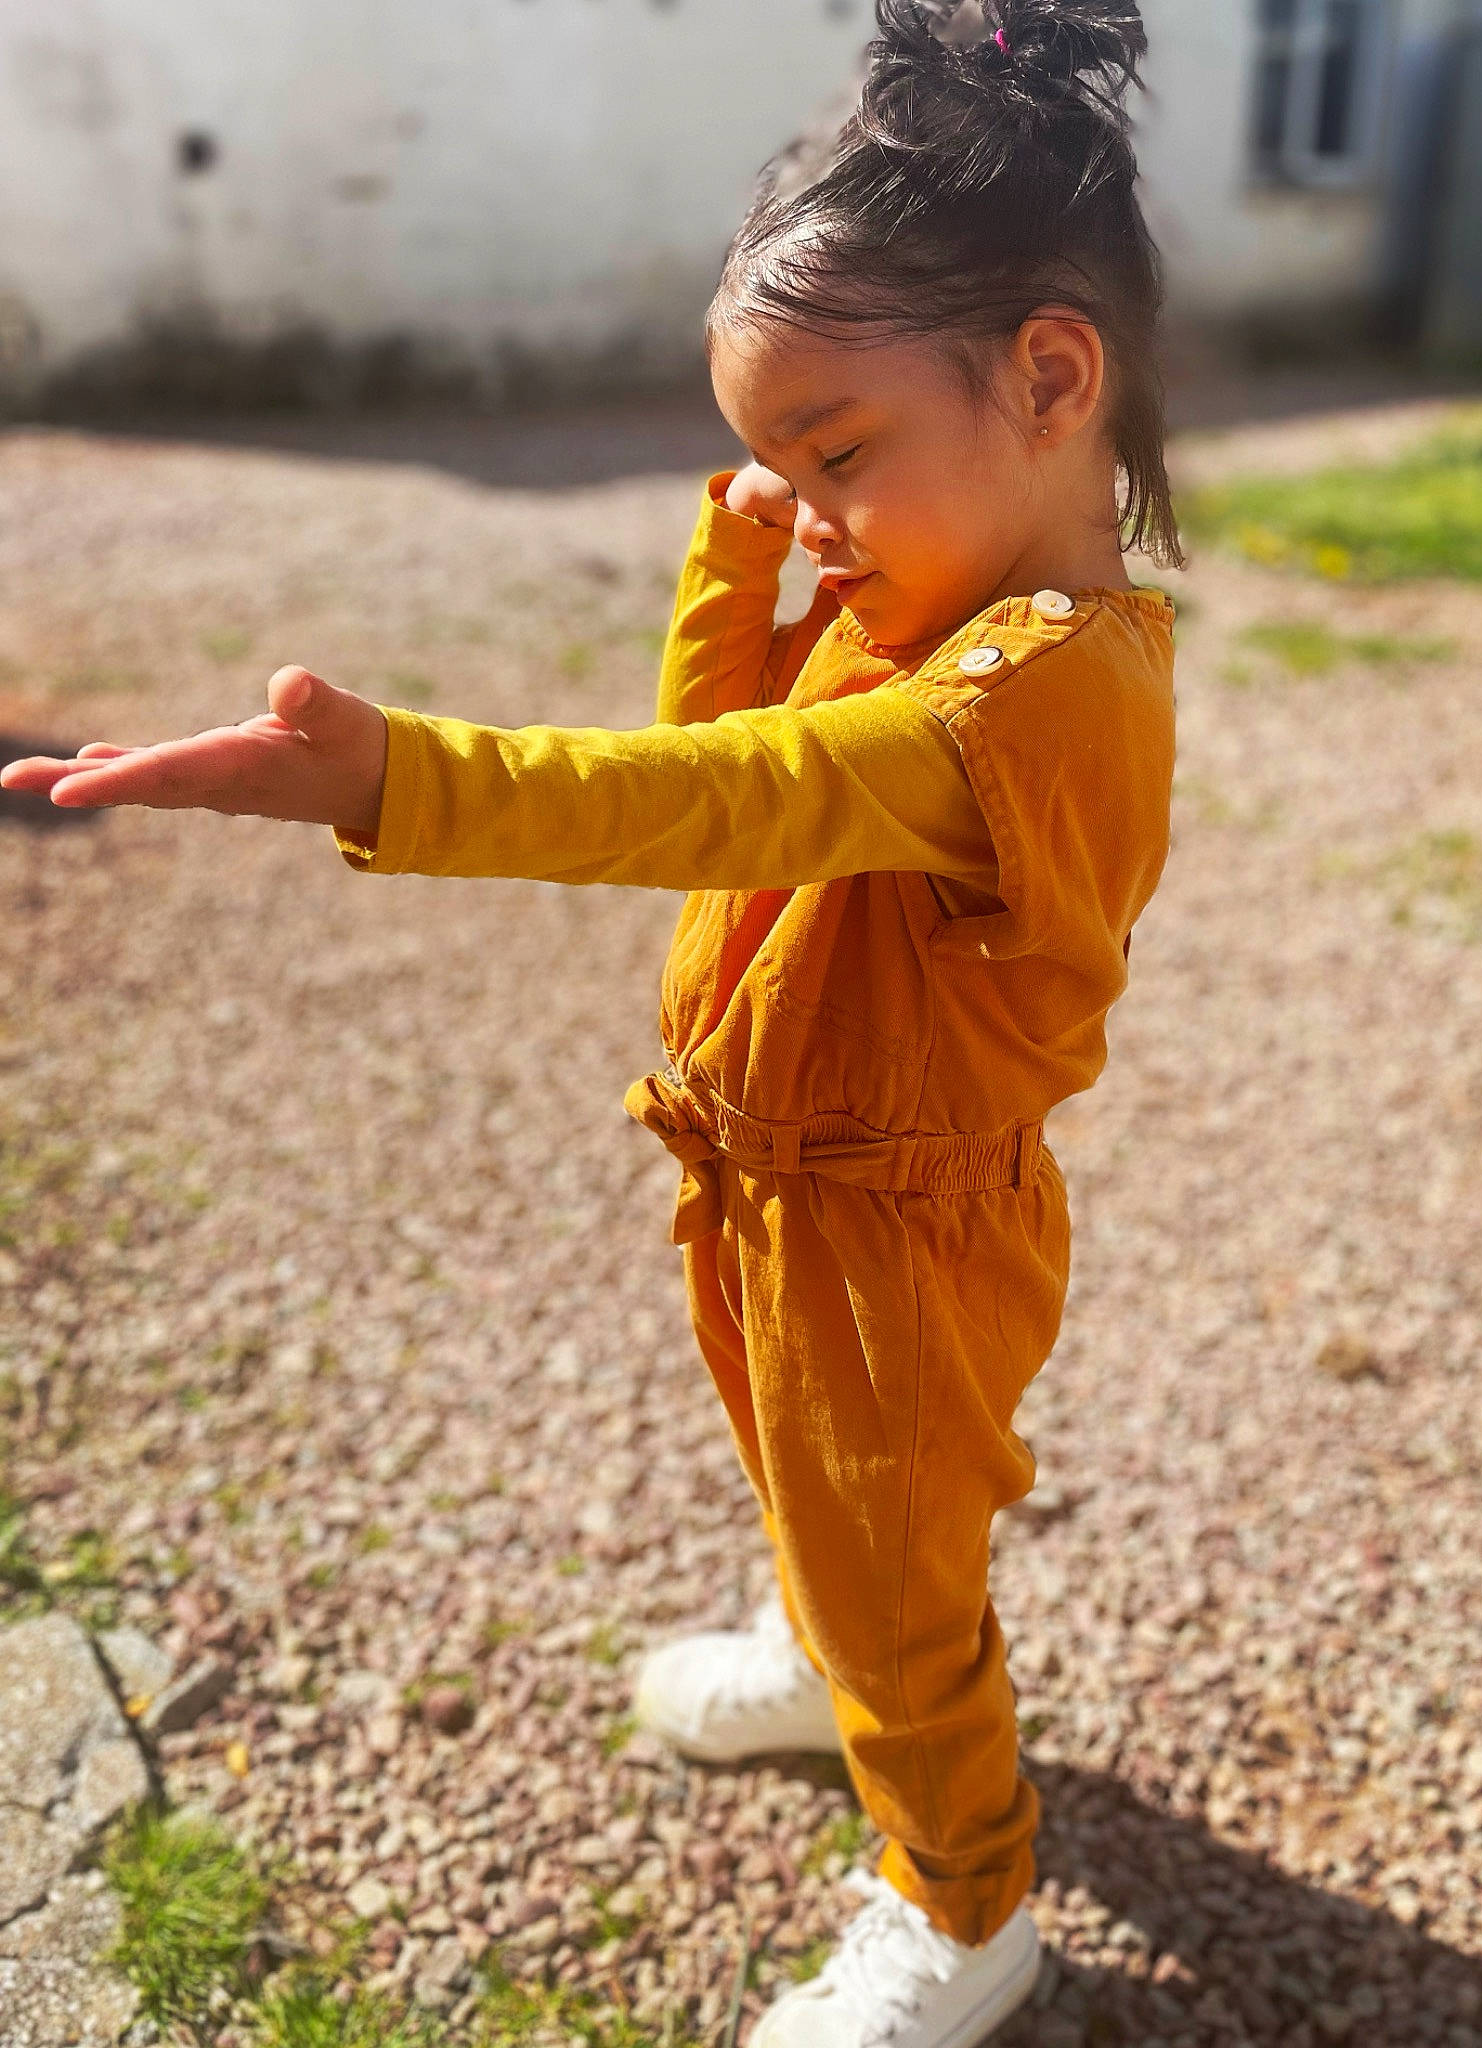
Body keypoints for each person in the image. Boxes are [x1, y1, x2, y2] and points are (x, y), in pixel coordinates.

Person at [4, 2, 1179, 2039]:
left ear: (1054, 374)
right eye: (776, 463)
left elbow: (694, 804)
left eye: (839, 454)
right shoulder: (929, 621)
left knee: (910, 1578)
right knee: (814, 1491)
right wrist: (736, 582)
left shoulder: (1031, 692)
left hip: (897, 1234)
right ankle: (829, 1653)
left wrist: (386, 776)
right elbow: (734, 780)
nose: (804, 507)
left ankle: (962, 1905)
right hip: (783, 1201)